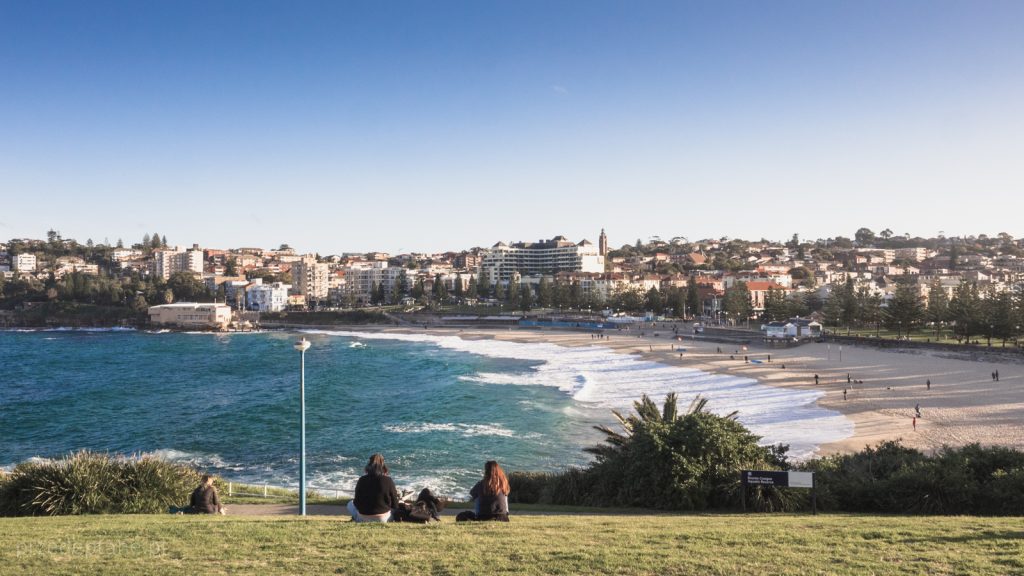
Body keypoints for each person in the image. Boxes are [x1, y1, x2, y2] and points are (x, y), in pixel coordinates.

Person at [348, 453, 401, 523]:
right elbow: (395, 504)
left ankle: (355, 518)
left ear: (368, 466)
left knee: (350, 504)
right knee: (395, 508)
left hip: (363, 518)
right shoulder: (388, 480)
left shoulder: (362, 480)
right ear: (383, 466)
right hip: (383, 518)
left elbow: (356, 501)